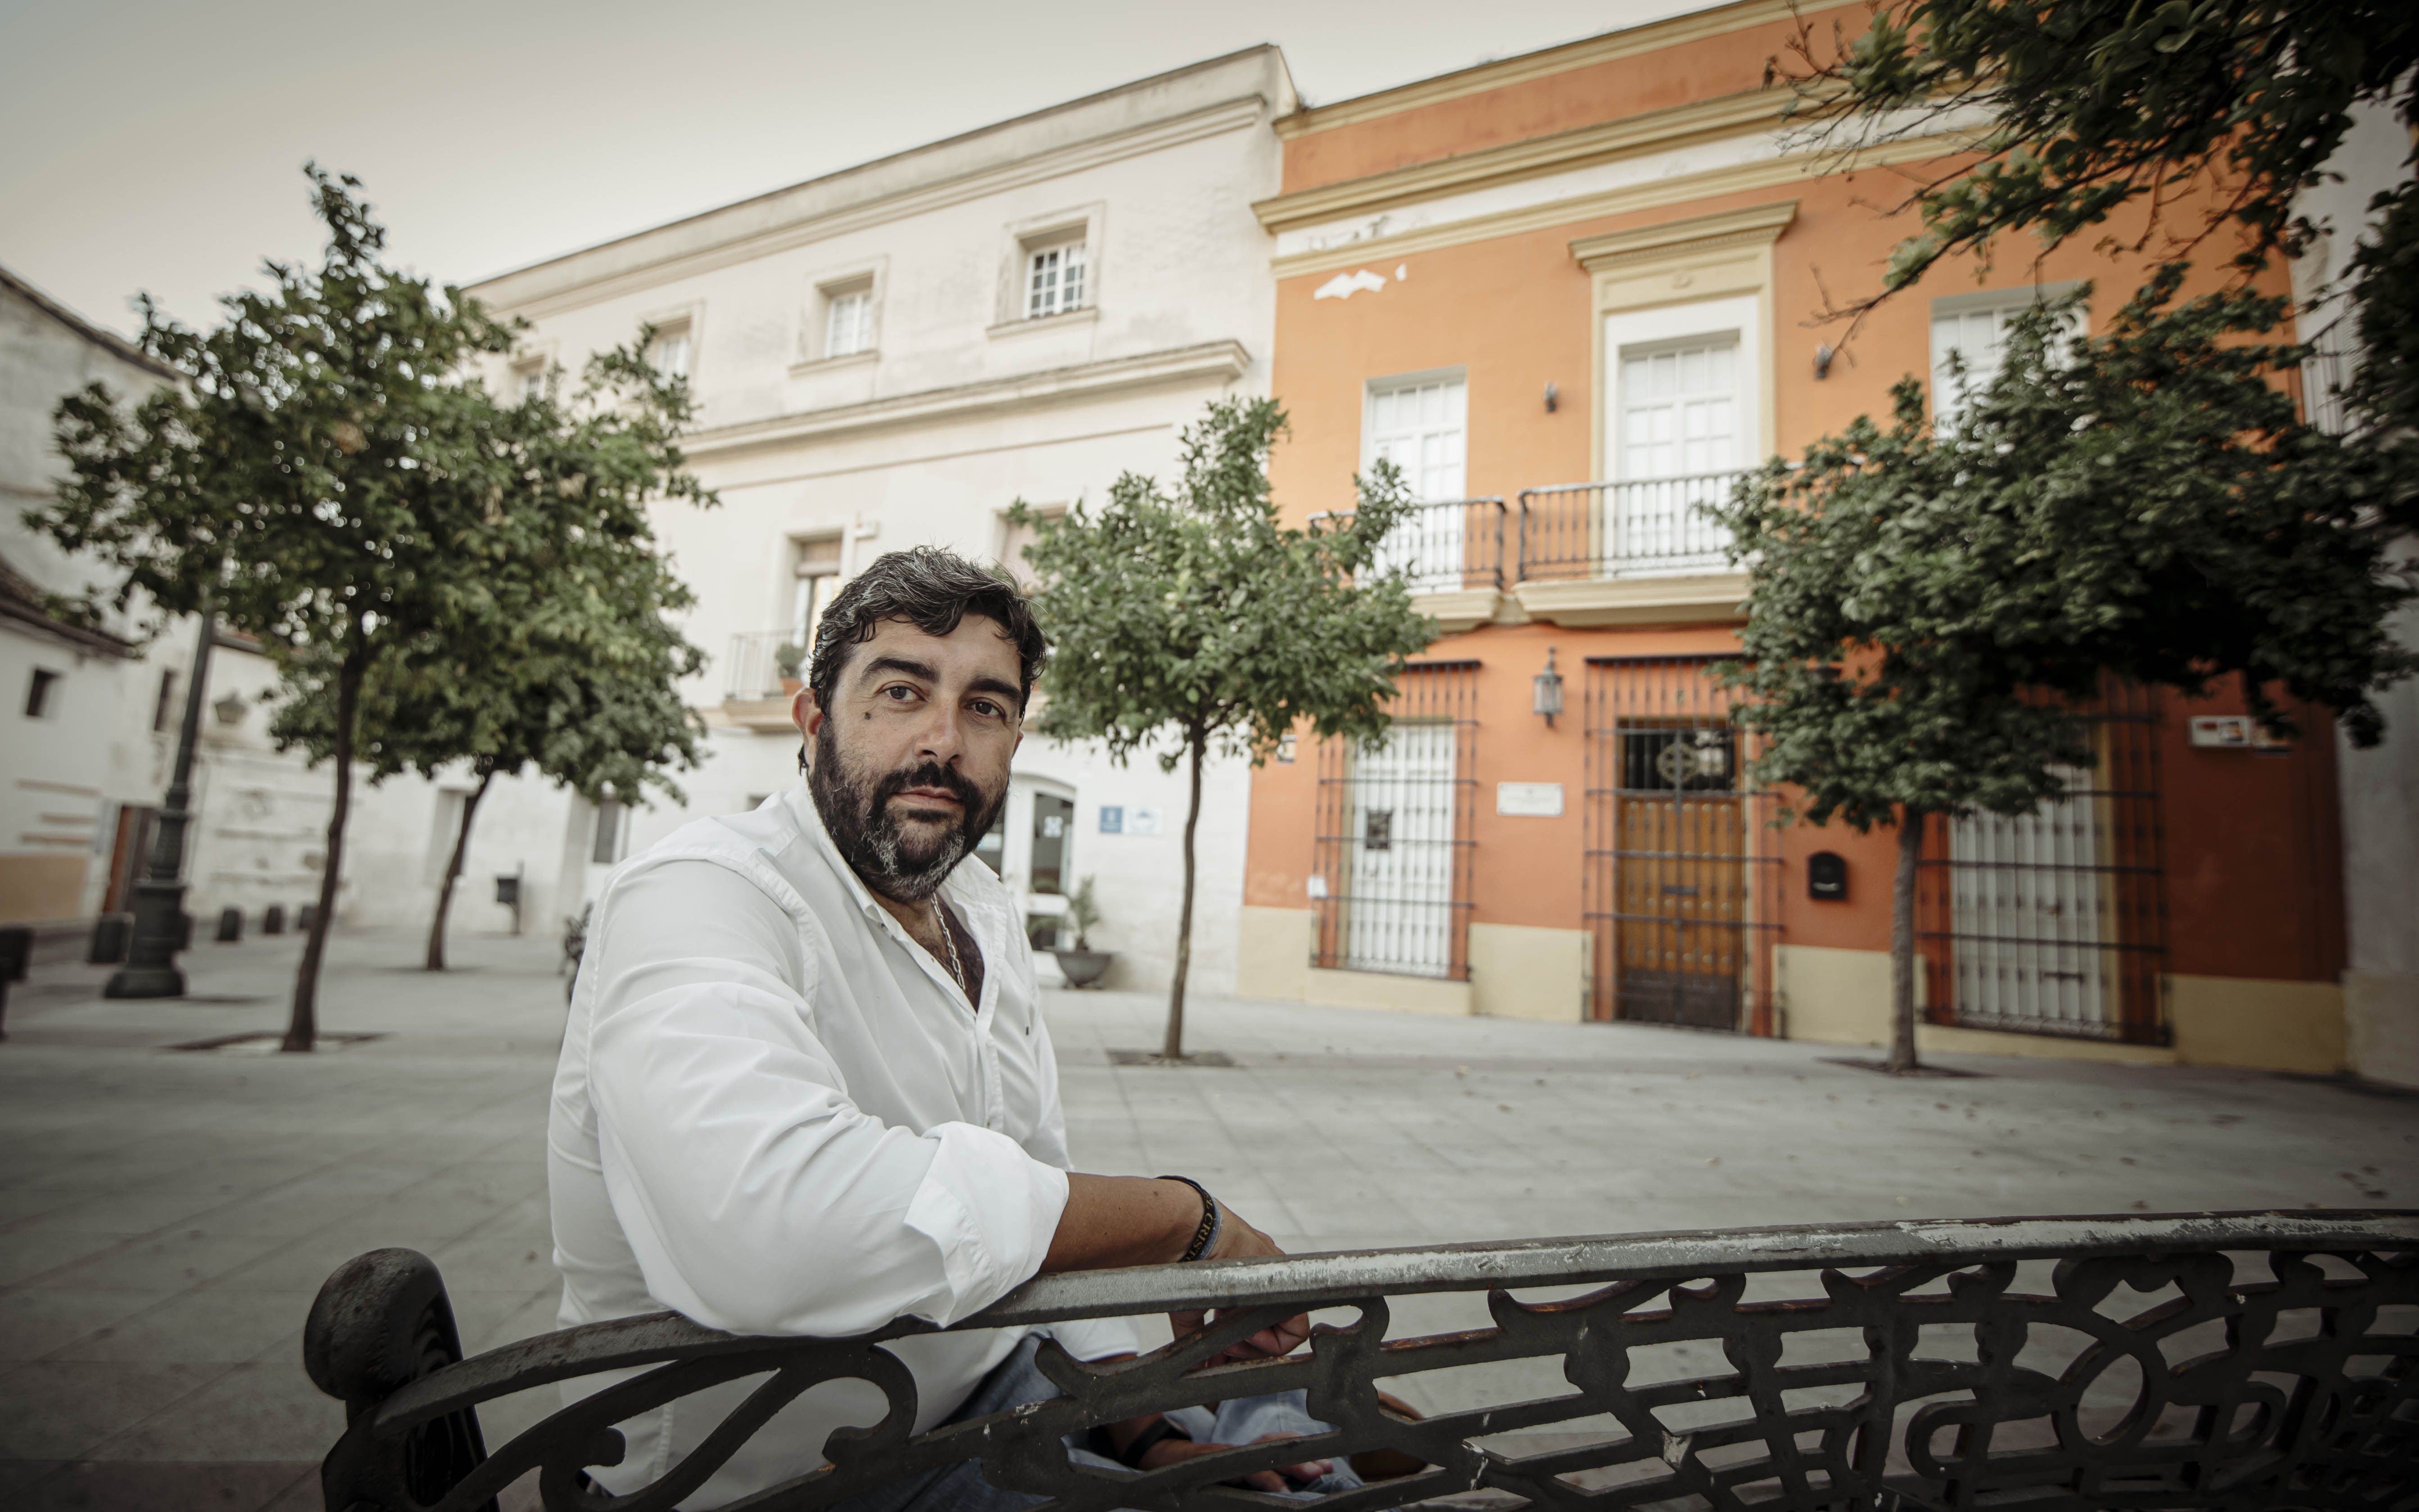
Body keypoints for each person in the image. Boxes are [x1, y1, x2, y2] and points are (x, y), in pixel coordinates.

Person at [547, 547, 1359, 1510]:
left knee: (1300, 1437)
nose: (943, 739)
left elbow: (1029, 1178)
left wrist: (1136, 1429)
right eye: (900, 691)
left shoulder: (977, 904)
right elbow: (777, 1230)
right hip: (760, 1474)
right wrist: (1185, 1220)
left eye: (987, 705)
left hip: (996, 1396)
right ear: (813, 720)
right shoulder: (697, 895)